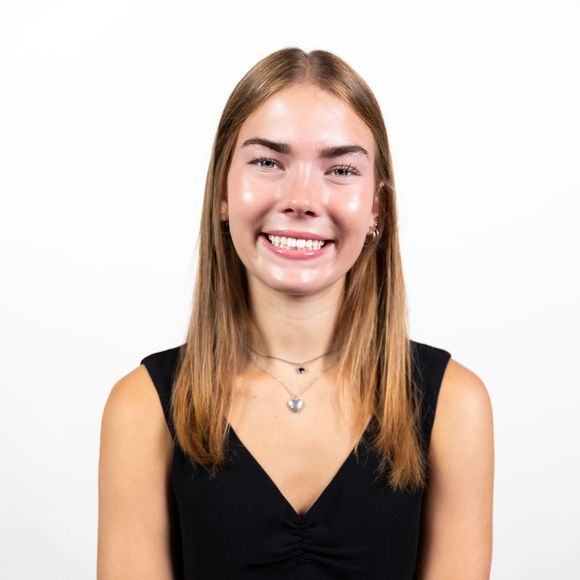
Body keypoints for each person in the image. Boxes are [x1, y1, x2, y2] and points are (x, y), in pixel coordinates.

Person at [97, 47, 494, 579]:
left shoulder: (455, 406)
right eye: (267, 162)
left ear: (377, 206)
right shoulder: (142, 408)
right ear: (222, 191)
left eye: (340, 169)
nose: (302, 198)